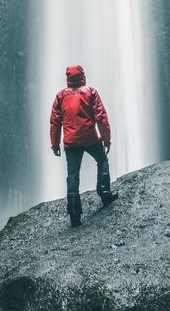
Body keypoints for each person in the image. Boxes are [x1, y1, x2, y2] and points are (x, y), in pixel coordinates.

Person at [49, 63, 117, 227]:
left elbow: (54, 122)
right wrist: (106, 139)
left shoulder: (61, 96)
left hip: (71, 142)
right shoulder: (90, 92)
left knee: (72, 175)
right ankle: (105, 192)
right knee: (102, 160)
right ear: (82, 76)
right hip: (90, 138)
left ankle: (74, 214)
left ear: (68, 78)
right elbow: (101, 117)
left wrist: (55, 144)